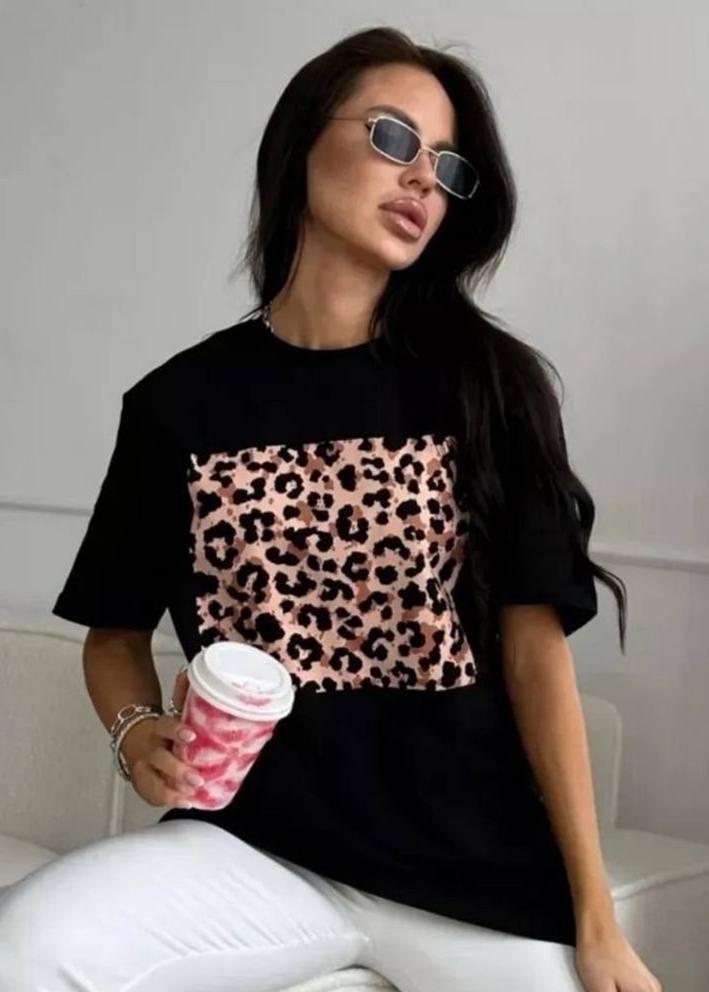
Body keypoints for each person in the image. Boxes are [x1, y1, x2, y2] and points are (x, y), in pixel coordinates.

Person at [0, 24, 662, 992]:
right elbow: (114, 635)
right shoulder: (179, 404)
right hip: (252, 850)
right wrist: (138, 733)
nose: (423, 178)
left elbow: (534, 657)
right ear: (301, 142)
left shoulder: (490, 386)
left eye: (447, 165)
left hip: (470, 873)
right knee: (23, 942)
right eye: (393, 138)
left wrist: (595, 918)